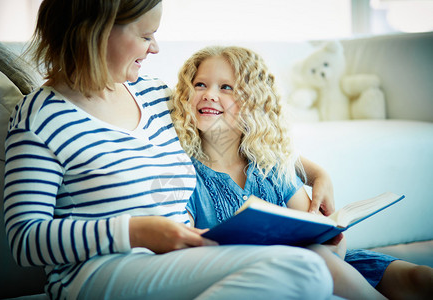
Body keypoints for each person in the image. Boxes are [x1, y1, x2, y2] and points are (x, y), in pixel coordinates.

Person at [3, 1, 337, 299]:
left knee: (311, 272)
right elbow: (24, 238)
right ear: (98, 33)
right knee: (304, 271)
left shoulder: (155, 97)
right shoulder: (41, 116)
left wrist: (314, 172)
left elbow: (233, 130)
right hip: (99, 270)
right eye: (146, 36)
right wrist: (136, 232)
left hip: (183, 255)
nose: (155, 48)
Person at [171, 45, 433, 300]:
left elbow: (321, 234)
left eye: (225, 87)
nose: (209, 94)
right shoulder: (185, 175)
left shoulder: (271, 166)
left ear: (253, 101)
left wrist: (334, 245)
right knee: (316, 260)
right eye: (200, 85)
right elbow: (188, 258)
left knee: (419, 278)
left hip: (326, 265)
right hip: (266, 276)